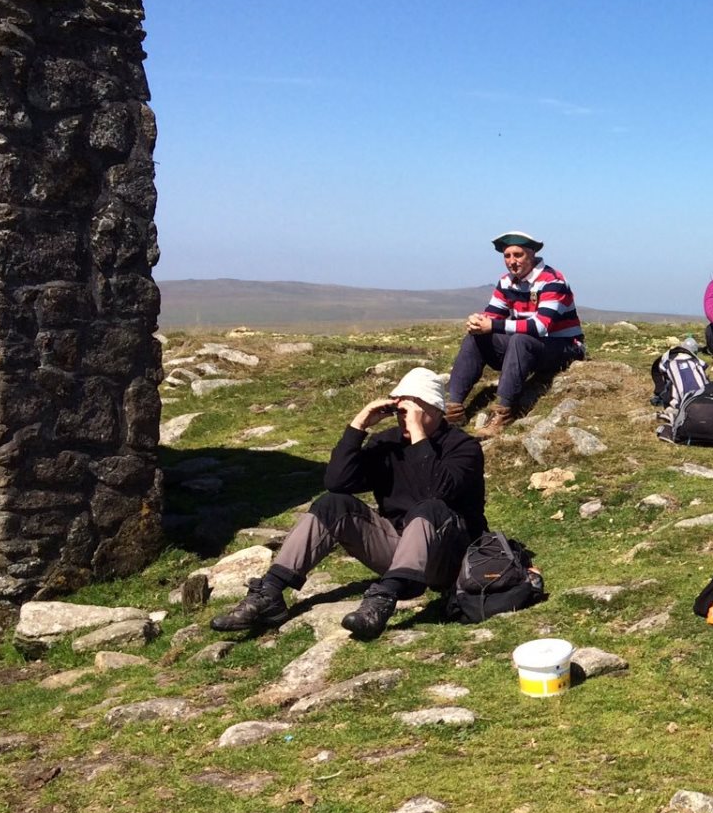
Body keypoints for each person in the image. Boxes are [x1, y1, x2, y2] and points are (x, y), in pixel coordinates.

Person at [210, 368, 487, 640]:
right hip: (399, 548)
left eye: (412, 410)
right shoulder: (387, 443)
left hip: (450, 556)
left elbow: (435, 490)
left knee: (430, 507)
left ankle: (383, 599)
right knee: (333, 504)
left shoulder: (463, 447)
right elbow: (337, 482)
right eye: (401, 412)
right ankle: (270, 592)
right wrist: (359, 425)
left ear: (435, 410)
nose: (403, 419)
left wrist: (418, 434)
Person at [445, 231, 584, 436]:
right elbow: (492, 314)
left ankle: (504, 410)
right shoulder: (506, 282)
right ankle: (453, 408)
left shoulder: (553, 281)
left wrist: (493, 326)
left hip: (564, 347)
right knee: (477, 337)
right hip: (530, 346)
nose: (512, 261)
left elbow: (540, 327)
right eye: (507, 256)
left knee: (520, 340)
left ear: (531, 254)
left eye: (517, 255)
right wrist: (479, 321)